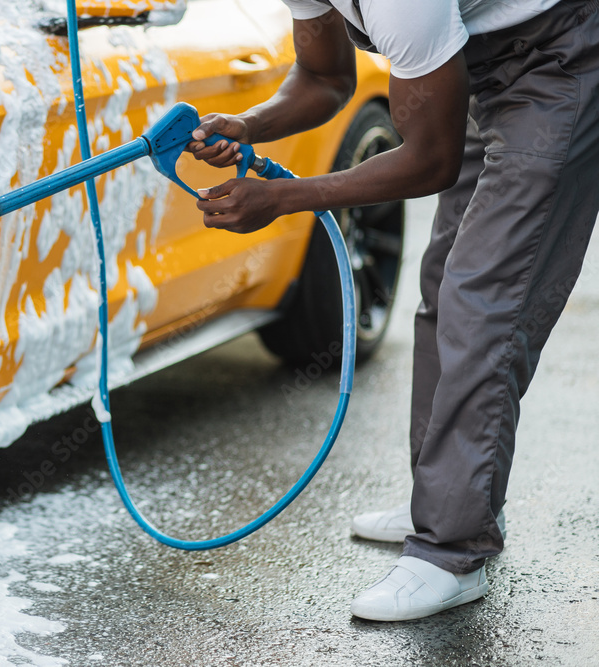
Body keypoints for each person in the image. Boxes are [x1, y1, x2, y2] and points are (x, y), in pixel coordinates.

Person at [188, 0, 599, 621]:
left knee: (484, 297)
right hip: (475, 60)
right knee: (445, 279)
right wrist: (249, 124)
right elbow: (325, 78)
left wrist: (285, 197)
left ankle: (451, 549)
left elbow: (430, 159)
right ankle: (450, 499)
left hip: (562, 60)